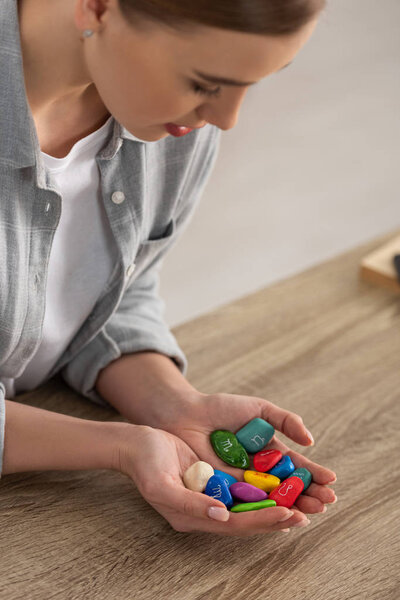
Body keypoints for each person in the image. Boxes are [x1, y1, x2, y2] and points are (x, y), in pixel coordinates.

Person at [0, 0, 337, 536]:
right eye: (205, 83)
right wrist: (119, 446)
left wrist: (172, 405)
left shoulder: (172, 128)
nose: (226, 119)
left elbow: (108, 295)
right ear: (98, 6)